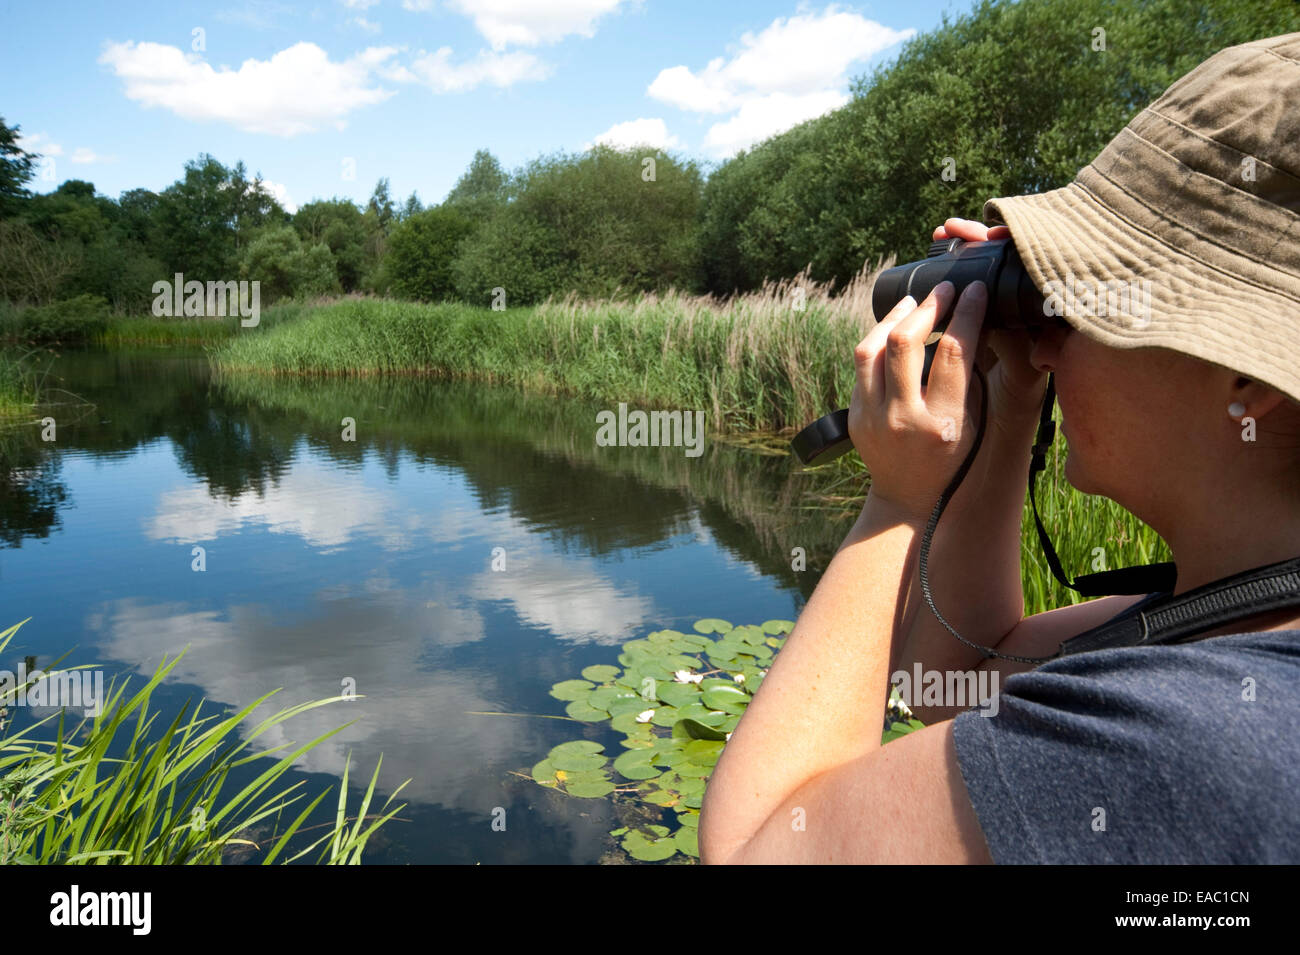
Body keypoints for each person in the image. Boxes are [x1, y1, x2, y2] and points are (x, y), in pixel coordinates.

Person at [698, 31, 1300, 864]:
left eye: (1083, 302)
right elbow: (955, 678)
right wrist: (1012, 401)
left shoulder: (1198, 734)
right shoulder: (1245, 613)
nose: (1046, 343)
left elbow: (751, 848)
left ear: (1247, 376)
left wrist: (898, 499)